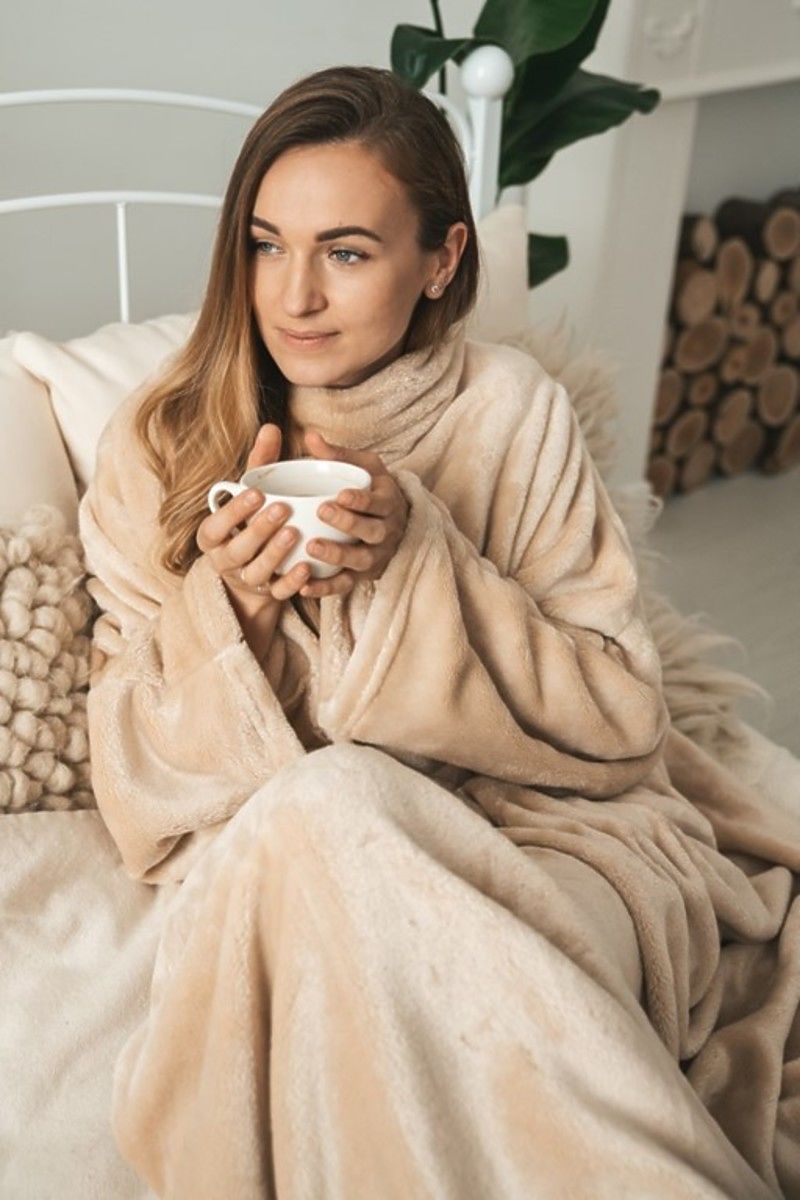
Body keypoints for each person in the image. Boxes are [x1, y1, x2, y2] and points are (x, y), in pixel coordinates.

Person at [79, 66, 799, 1200]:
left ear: (442, 259)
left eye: (346, 252)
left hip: (554, 836)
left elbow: (621, 719)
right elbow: (132, 783)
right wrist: (238, 609)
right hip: (295, 861)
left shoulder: (510, 410)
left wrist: (419, 554)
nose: (295, 296)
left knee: (359, 850)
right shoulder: (164, 441)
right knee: (327, 801)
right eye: (267, 245)